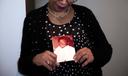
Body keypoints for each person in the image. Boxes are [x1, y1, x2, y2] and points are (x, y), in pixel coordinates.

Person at [18, 0, 112, 76]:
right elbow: (22, 65)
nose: (64, 2)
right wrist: (34, 60)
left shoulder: (85, 14)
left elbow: (107, 50)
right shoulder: (33, 18)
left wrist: (94, 55)